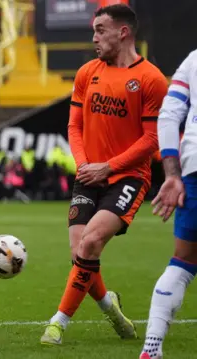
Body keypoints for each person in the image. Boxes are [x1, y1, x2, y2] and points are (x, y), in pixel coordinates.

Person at [40, 4, 169, 345]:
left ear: (122, 32)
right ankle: (109, 306)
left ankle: (58, 322)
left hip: (128, 176)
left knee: (92, 241)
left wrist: (109, 167)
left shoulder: (151, 79)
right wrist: (84, 165)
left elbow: (152, 139)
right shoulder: (87, 73)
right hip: (88, 173)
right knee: (80, 252)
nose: (94, 37)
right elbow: (74, 124)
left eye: (100, 30)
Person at [139, 49, 197, 359]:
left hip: (193, 167)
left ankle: (151, 346)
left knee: (183, 261)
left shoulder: (193, 59)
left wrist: (172, 174)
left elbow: (170, 113)